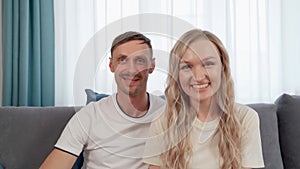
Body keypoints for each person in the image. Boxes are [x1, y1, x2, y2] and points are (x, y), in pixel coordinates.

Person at [40, 31, 165, 169]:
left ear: (152, 66)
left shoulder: (168, 114)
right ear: (111, 65)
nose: (131, 70)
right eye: (122, 60)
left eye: (140, 60)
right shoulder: (90, 116)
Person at [143, 29, 264, 169]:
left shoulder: (245, 118)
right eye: (187, 67)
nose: (199, 77)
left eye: (208, 64)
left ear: (222, 68)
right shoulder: (163, 121)